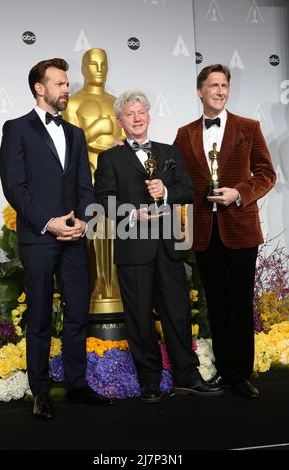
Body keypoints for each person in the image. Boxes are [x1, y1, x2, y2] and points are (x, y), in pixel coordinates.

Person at [0, 58, 112, 419]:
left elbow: (84, 184)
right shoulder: (16, 128)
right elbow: (14, 187)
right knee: (41, 317)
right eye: (61, 84)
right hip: (40, 237)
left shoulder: (76, 133)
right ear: (40, 88)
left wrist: (82, 219)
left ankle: (77, 385)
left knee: (78, 312)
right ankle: (41, 391)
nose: (67, 89)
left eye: (67, 83)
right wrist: (50, 222)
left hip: (75, 236)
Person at [94, 90, 224, 403]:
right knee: (139, 318)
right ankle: (149, 381)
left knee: (178, 314)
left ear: (149, 116)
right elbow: (101, 202)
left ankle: (188, 377)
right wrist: (130, 212)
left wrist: (165, 191)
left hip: (168, 247)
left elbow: (188, 190)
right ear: (119, 121)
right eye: (130, 114)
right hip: (133, 248)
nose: (137, 118)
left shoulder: (169, 152)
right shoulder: (110, 157)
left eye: (141, 112)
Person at [174, 64, 276, 399]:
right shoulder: (185, 133)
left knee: (239, 305)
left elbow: (266, 173)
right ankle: (223, 369)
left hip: (240, 228)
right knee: (216, 305)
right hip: (205, 231)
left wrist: (240, 193)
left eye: (225, 85)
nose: (220, 91)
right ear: (200, 90)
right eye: (213, 85)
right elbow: (173, 177)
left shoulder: (248, 127)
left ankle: (241, 374)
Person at [63, 48, 124, 308]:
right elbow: (70, 141)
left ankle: (116, 284)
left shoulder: (117, 101)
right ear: (84, 68)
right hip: (85, 172)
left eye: (103, 64)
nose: (99, 70)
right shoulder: (73, 102)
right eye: (93, 64)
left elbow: (123, 141)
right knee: (91, 230)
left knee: (116, 228)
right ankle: (96, 283)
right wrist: (101, 130)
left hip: (114, 175)